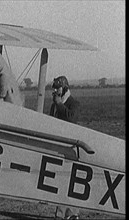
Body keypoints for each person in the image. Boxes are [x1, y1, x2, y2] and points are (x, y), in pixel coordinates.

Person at [50, 76, 80, 220]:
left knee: (68, 180)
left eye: (58, 88)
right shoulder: (55, 104)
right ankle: (68, 213)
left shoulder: (73, 103)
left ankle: (68, 213)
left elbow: (70, 118)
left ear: (65, 88)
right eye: (54, 88)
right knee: (61, 180)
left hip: (69, 146)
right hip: (58, 146)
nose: (55, 91)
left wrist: (59, 105)